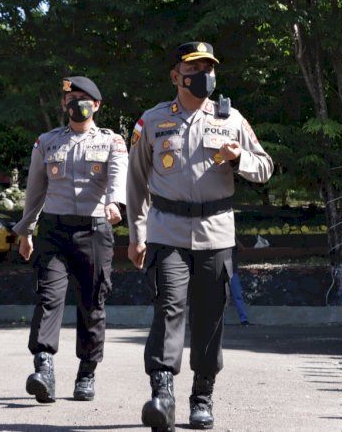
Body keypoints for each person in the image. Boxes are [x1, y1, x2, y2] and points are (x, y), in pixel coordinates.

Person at [126, 41, 273, 431]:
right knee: (168, 308)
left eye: (210, 67)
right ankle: (162, 393)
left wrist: (238, 157)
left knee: (209, 318)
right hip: (167, 231)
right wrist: (136, 234)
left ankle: (202, 395)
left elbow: (265, 168)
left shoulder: (231, 119)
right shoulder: (153, 121)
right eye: (195, 68)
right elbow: (136, 182)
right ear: (176, 76)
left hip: (216, 234)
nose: (204, 75)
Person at [13, 76, 128, 403]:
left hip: (94, 229)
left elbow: (119, 175)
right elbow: (35, 191)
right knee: (48, 297)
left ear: (97, 105)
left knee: (92, 303)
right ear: (63, 104)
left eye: (84, 97)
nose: (77, 102)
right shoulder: (46, 142)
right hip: (53, 231)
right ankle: (44, 368)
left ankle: (87, 372)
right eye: (71, 97)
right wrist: (26, 231)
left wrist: (114, 203)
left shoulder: (112, 141)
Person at [229, 247, 249, 325]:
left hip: (233, 271)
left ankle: (243, 319)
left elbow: (242, 248)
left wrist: (234, 238)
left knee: (237, 296)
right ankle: (219, 320)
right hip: (223, 270)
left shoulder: (233, 243)